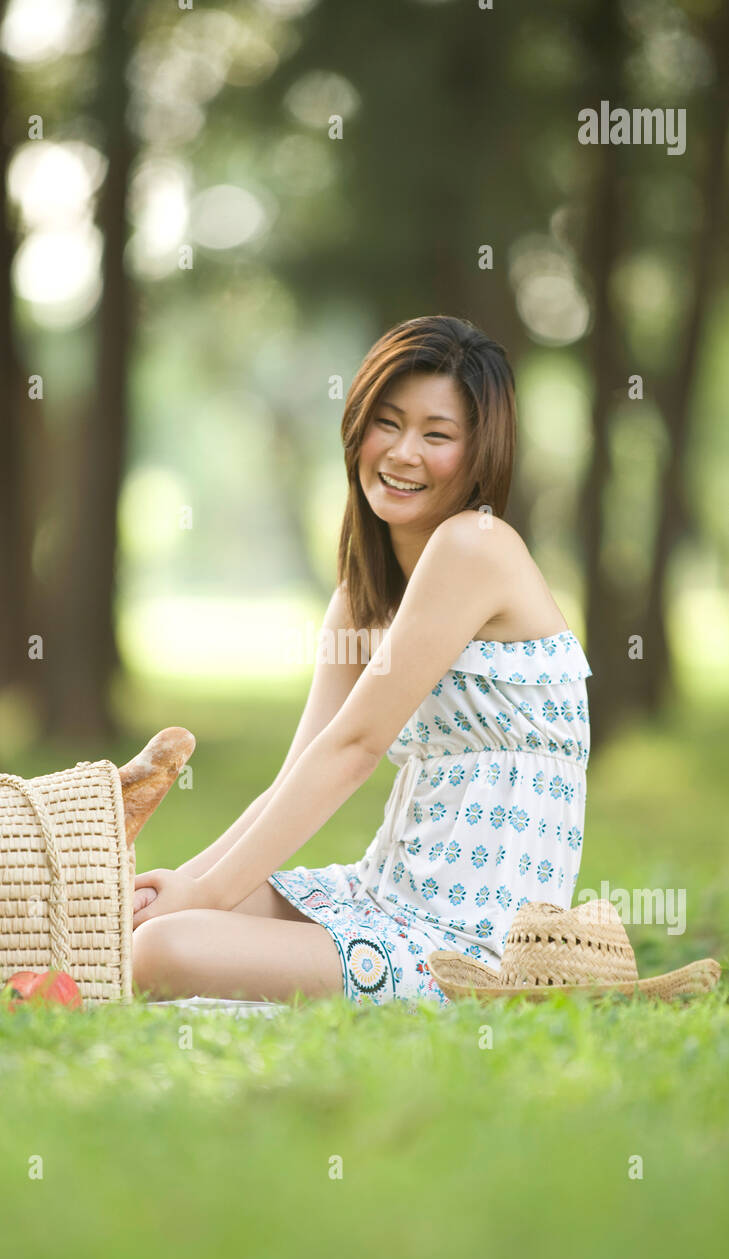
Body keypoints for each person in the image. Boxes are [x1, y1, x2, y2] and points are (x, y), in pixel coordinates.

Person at [131, 314, 592, 1005]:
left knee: (164, 948)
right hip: (377, 896)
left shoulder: (477, 546)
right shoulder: (361, 598)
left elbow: (354, 749)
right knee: (140, 922)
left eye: (437, 435)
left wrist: (201, 900)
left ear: (478, 453)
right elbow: (301, 768)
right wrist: (182, 884)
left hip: (468, 945)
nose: (404, 453)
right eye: (388, 422)